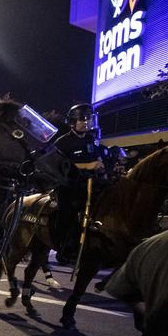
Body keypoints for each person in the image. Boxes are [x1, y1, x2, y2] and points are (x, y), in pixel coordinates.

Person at [51, 103, 104, 262]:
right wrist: (87, 166)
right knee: (67, 214)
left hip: (91, 184)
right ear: (73, 122)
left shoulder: (91, 139)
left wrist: (101, 164)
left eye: (88, 119)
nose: (86, 123)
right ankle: (64, 248)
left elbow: (97, 158)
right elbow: (60, 166)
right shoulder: (62, 142)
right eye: (82, 120)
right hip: (69, 185)